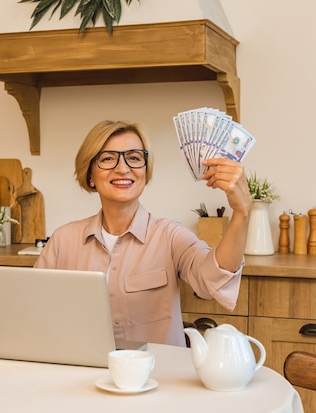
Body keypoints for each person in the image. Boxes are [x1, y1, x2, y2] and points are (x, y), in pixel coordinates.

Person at [34, 120, 252, 346]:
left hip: (159, 377)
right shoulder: (62, 240)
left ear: (145, 172)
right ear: (90, 175)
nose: (123, 168)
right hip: (83, 376)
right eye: (108, 158)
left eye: (135, 158)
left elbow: (213, 279)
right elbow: (34, 312)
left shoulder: (170, 236)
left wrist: (241, 212)